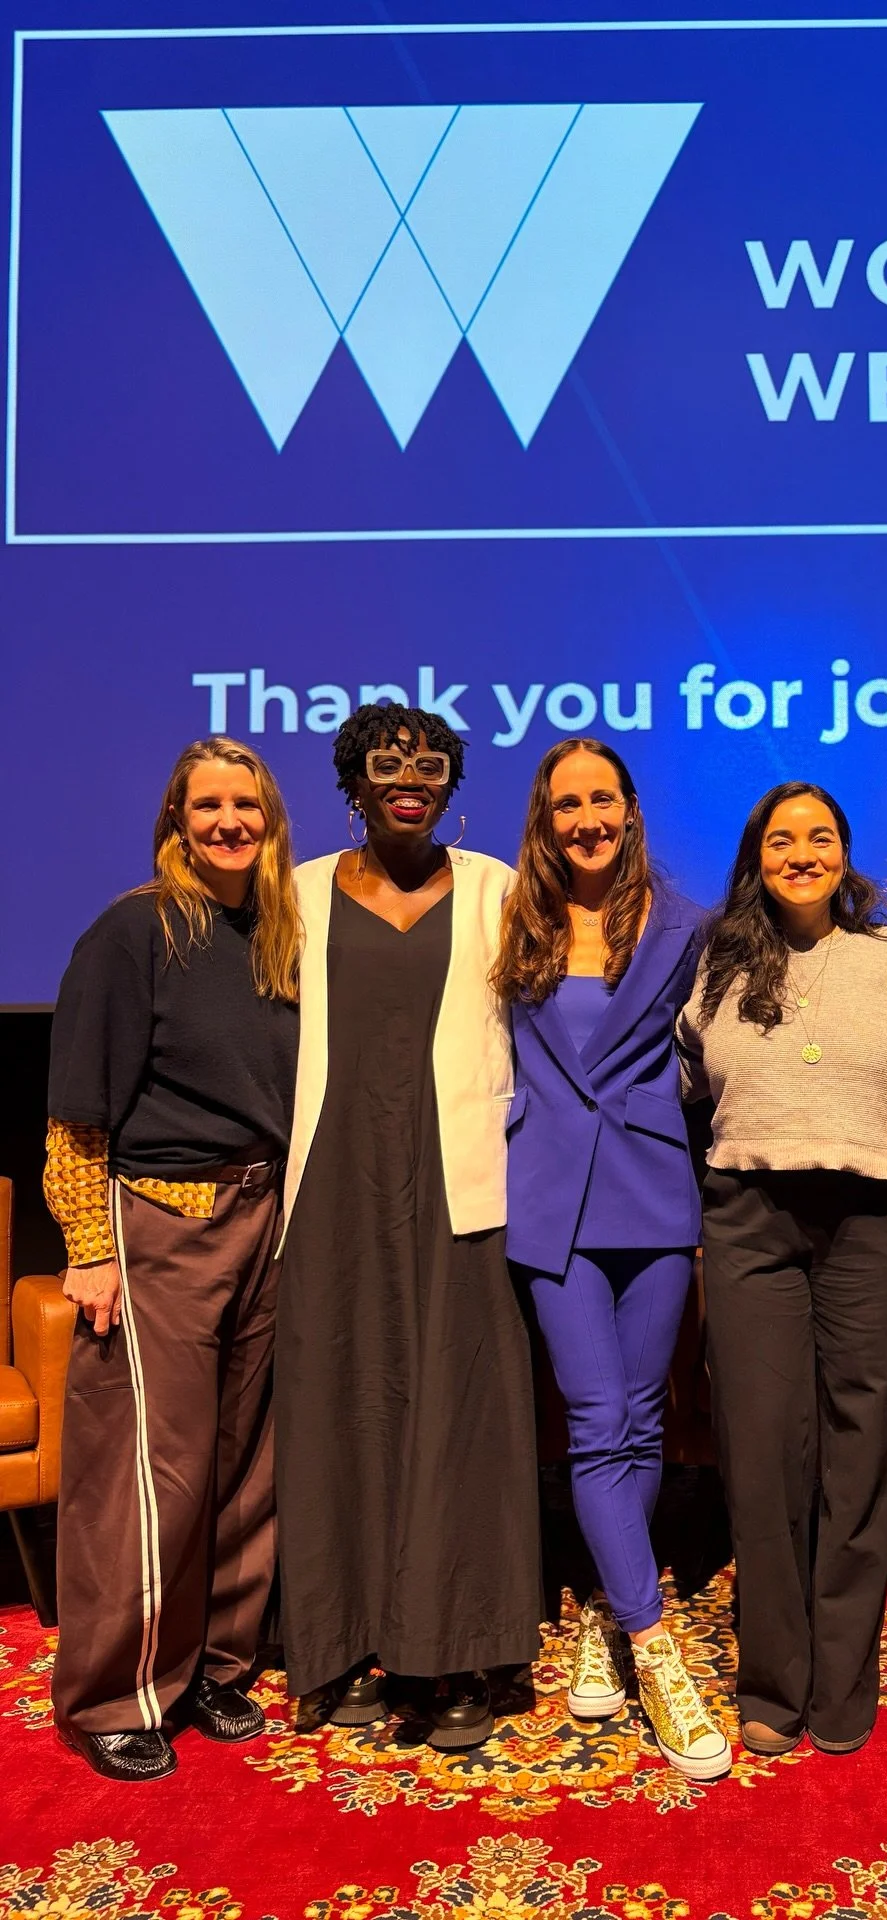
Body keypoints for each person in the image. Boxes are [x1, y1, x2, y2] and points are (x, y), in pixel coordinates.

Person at [274, 704, 542, 1750]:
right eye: (388, 767)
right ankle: (338, 1646)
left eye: (429, 768)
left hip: (456, 1183)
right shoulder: (295, 896)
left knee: (456, 1410)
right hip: (335, 1180)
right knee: (339, 1400)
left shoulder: (494, 889)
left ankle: (461, 1654)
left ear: (448, 786)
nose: (410, 781)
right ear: (355, 782)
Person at [43, 737, 301, 1781]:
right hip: (159, 1222)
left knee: (246, 1468)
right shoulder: (132, 929)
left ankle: (211, 1670)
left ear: (273, 821)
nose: (229, 821)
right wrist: (92, 1249)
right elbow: (75, 1115)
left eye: (247, 804)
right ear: (176, 820)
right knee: (152, 1473)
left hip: (267, 1217)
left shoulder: (280, 938)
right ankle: (117, 1690)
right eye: (209, 805)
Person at [677, 782, 887, 1760]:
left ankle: (843, 1678)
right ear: (756, 856)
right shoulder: (718, 961)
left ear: (844, 853)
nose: (802, 852)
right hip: (749, 1217)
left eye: (820, 836)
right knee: (763, 1450)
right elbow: (690, 1079)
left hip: (874, 1217)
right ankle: (775, 1682)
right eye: (782, 839)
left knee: (860, 1452)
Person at [495, 739, 727, 1781]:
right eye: (564, 804)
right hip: (552, 1203)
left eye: (601, 799)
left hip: (652, 1190)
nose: (585, 818)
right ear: (544, 822)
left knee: (644, 1423)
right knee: (596, 1422)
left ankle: (601, 1605)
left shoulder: (687, 928)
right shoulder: (513, 925)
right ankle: (654, 1648)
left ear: (630, 811)